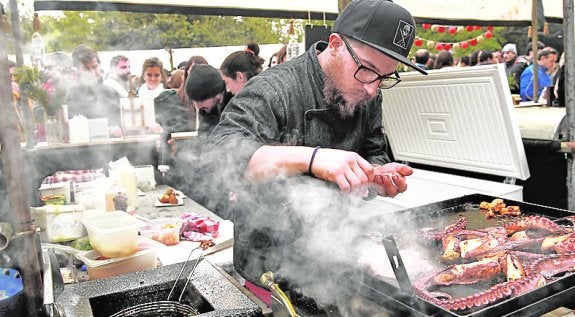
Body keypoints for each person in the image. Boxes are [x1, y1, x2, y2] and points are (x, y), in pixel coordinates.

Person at [199, 0, 426, 309]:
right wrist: (313, 158)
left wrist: (375, 175)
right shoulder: (274, 89)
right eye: (367, 71)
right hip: (270, 270)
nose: (373, 89)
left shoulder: (369, 94)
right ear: (335, 45)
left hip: (336, 254)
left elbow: (375, 150)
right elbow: (218, 155)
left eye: (385, 77)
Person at [66, 45, 122, 136]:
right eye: (87, 69)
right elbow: (70, 129)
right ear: (77, 71)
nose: (92, 73)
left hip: (111, 147)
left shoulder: (111, 93)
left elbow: (121, 124)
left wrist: (118, 129)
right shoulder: (69, 96)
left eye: (95, 67)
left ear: (100, 65)